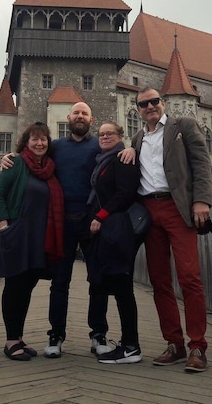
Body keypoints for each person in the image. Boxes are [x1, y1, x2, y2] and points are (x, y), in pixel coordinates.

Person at [1, 102, 111, 358]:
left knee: (97, 279)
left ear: (91, 120)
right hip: (61, 221)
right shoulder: (57, 147)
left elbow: (117, 157)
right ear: (68, 118)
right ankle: (56, 335)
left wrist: (130, 152)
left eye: (85, 113)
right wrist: (12, 157)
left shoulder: (98, 146)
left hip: (92, 220)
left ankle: (98, 333)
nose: (80, 117)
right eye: (76, 113)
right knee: (60, 282)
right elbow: (33, 159)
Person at [131, 87, 212, 373]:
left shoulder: (183, 125)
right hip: (149, 210)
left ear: (163, 103)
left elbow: (201, 162)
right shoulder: (138, 138)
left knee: (190, 277)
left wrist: (202, 200)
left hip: (177, 207)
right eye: (144, 104)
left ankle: (197, 346)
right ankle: (174, 343)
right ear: (138, 109)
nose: (150, 106)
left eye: (154, 101)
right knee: (160, 280)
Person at [0, 122, 65, 361]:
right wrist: (3, 225)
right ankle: (10, 340)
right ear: (26, 142)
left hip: (37, 237)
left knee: (26, 287)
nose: (39, 143)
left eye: (44, 139)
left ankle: (18, 337)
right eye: (35, 139)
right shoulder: (16, 163)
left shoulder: (49, 169)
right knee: (15, 286)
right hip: (18, 232)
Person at [85, 122, 143, 364]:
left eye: (110, 133)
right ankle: (124, 343)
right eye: (102, 134)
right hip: (107, 231)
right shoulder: (103, 161)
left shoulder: (122, 158)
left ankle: (131, 346)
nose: (105, 137)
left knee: (122, 288)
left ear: (121, 136)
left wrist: (101, 215)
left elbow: (125, 193)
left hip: (117, 229)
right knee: (108, 284)